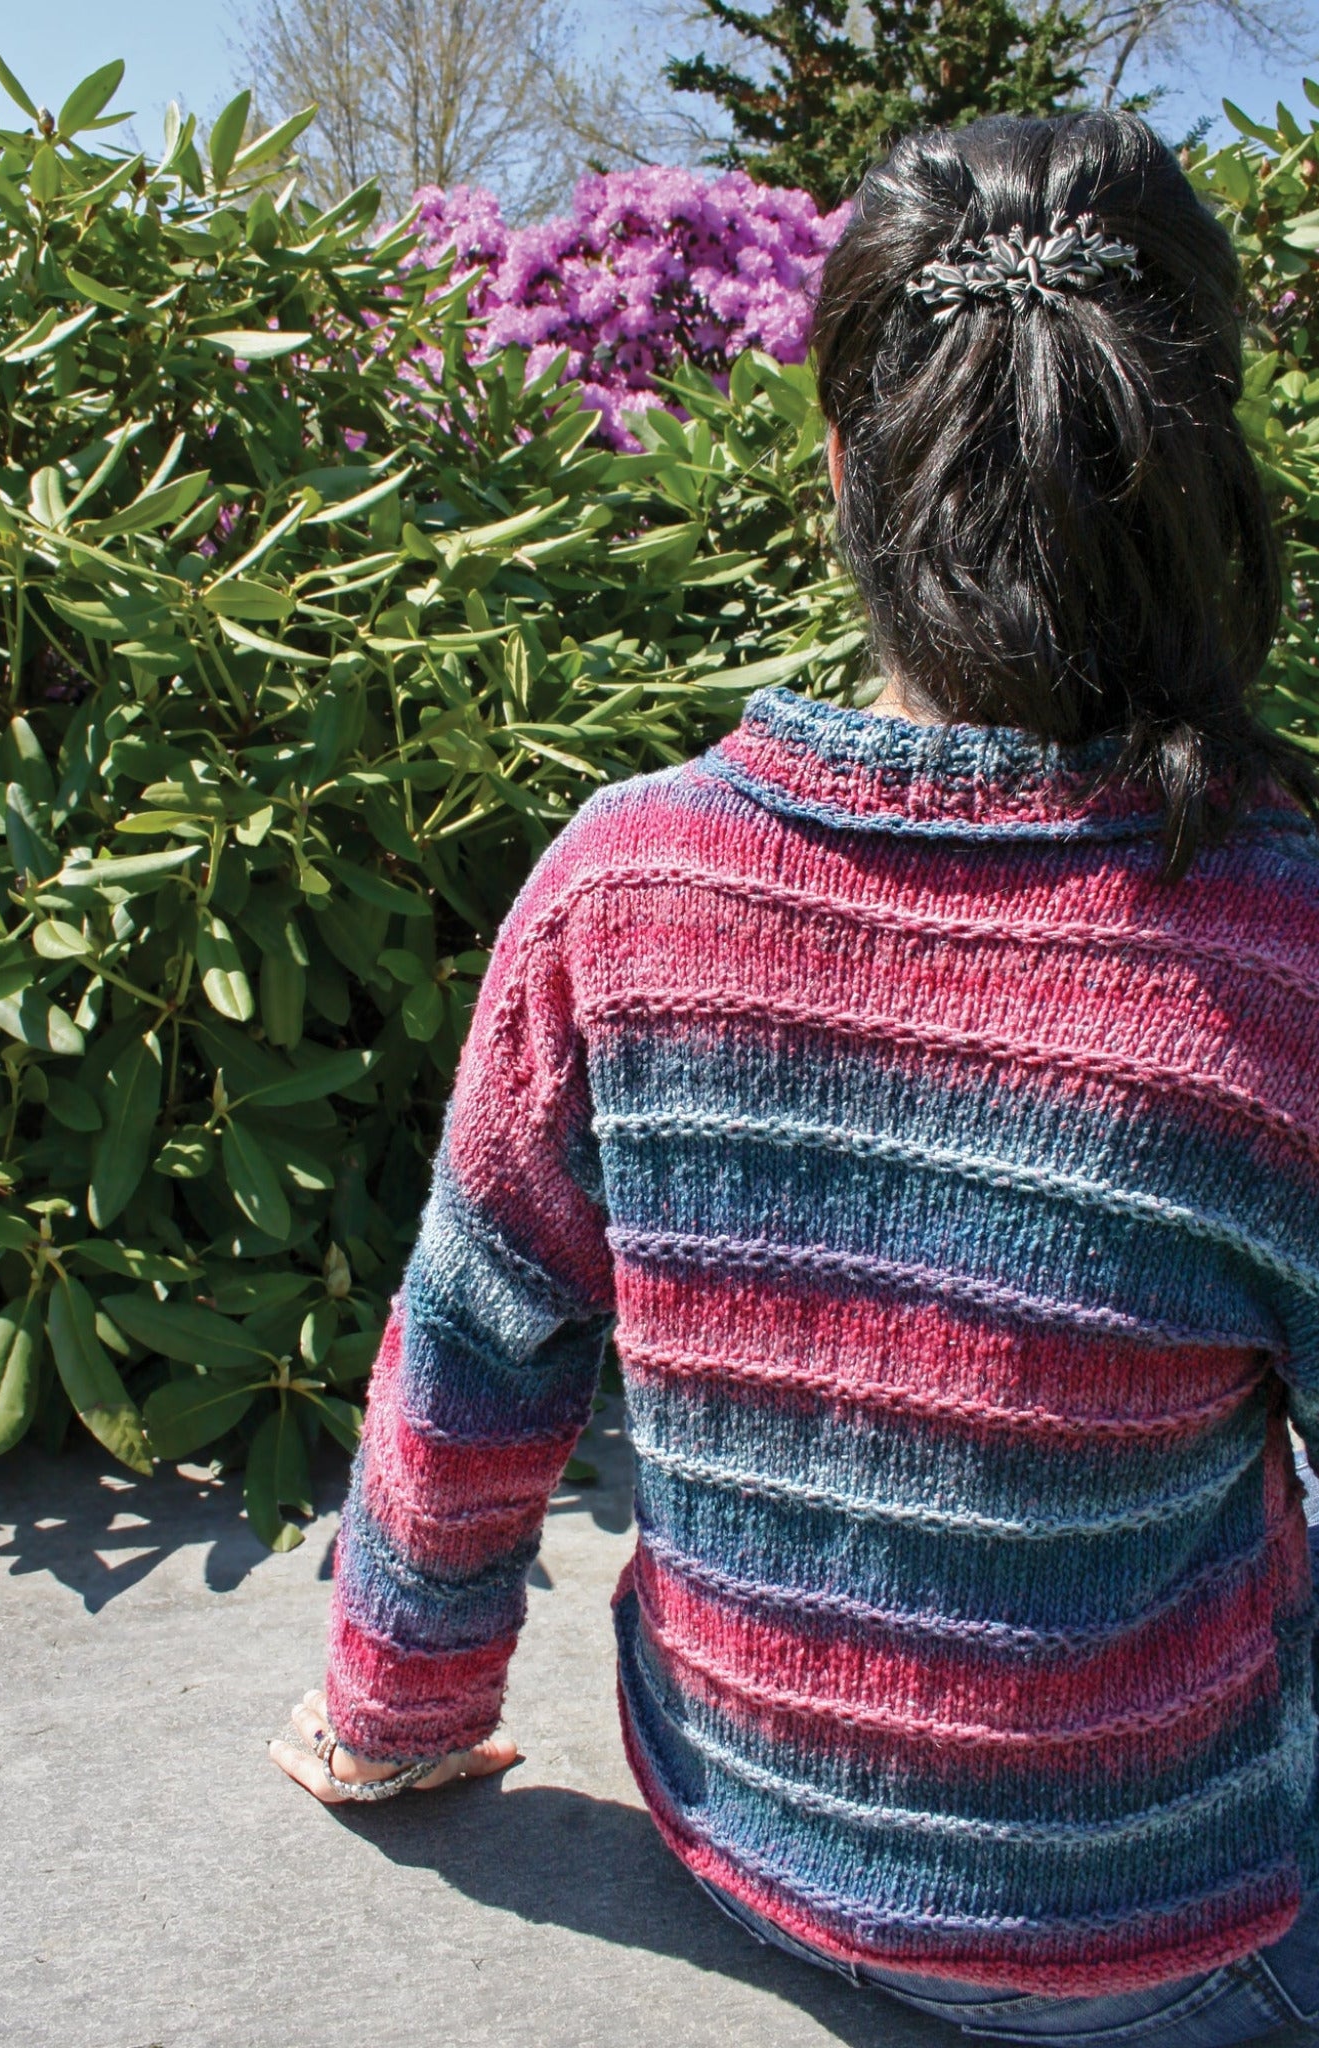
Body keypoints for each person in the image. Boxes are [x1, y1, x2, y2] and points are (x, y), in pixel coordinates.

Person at [271, 109, 1319, 2040]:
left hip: (745, 1842)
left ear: (842, 468)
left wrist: (392, 1715)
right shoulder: (1277, 937)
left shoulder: (627, 878)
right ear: (1202, 473)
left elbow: (472, 1343)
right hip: (1169, 1935)